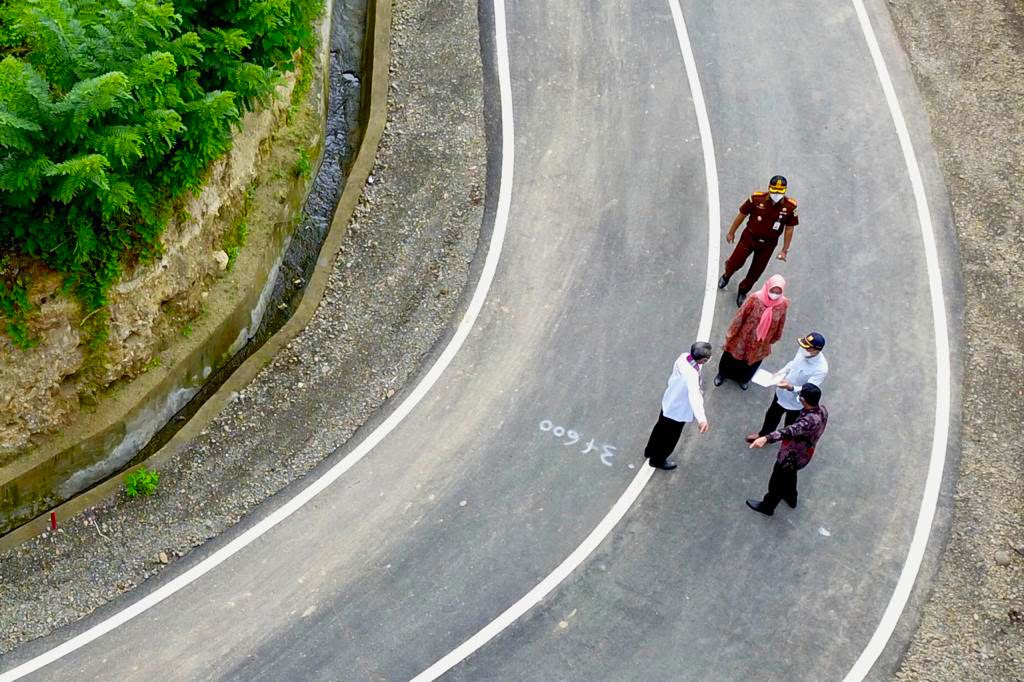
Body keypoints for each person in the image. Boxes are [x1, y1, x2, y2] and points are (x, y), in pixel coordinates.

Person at [746, 383, 828, 516]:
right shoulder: (822, 410)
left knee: (776, 482)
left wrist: (765, 438)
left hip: (791, 456)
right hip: (805, 453)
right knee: (790, 475)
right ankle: (791, 497)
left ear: (802, 400)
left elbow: (789, 431)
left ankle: (768, 506)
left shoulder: (808, 421)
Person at [718, 175, 799, 307]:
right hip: (749, 238)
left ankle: (743, 290)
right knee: (735, 262)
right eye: (774, 190)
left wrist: (784, 250)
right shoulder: (756, 199)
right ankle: (727, 275)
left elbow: (789, 229)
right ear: (769, 188)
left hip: (768, 244)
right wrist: (731, 232)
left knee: (756, 271)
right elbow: (741, 215)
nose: (776, 194)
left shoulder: (790, 207)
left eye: (780, 191)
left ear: (785, 190)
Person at [746, 332, 828, 442]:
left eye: (807, 348)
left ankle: (786, 442)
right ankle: (764, 435)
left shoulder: (821, 369)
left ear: (816, 350)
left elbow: (808, 389)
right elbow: (793, 364)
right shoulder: (804, 351)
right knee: (772, 415)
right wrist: (780, 373)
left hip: (796, 403)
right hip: (782, 392)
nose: (803, 349)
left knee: (790, 424)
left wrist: (792, 388)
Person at [644, 341, 712, 471]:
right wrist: (702, 418)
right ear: (702, 360)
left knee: (659, 429)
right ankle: (657, 460)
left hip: (669, 401)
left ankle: (650, 450)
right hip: (678, 410)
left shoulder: (683, 358)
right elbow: (694, 396)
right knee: (669, 439)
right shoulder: (692, 375)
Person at [715, 274, 789, 390]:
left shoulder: (782, 304)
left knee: (752, 361)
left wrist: (775, 337)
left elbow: (781, 321)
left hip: (762, 341)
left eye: (778, 292)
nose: (774, 294)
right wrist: (732, 333)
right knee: (731, 357)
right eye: (773, 290)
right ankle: (723, 374)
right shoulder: (755, 298)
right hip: (744, 336)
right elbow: (741, 316)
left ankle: (743, 379)